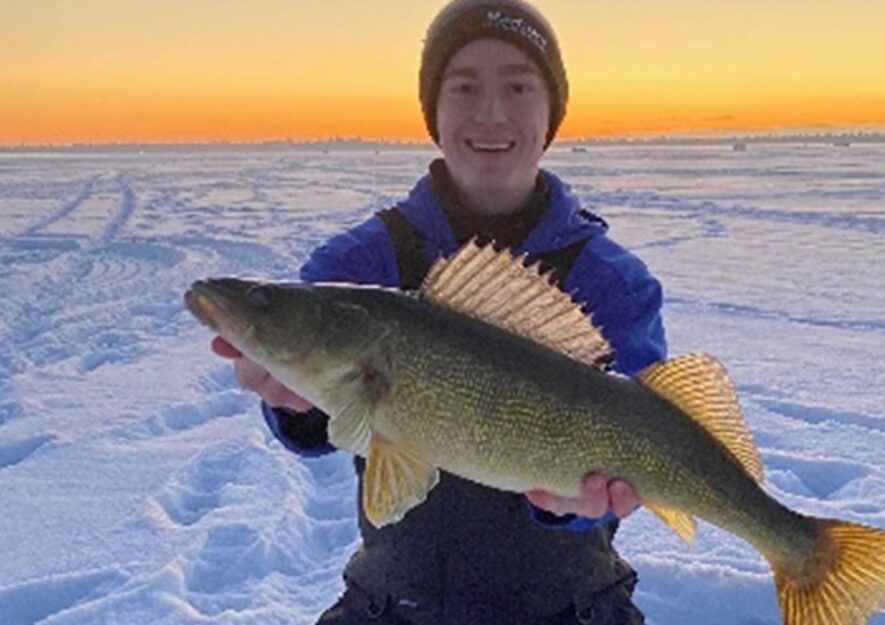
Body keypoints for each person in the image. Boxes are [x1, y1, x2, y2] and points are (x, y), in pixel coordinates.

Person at [209, 1, 667, 623]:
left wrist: (585, 501)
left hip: (570, 607)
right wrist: (292, 401)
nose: (491, 111)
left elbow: (649, 435)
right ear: (434, 108)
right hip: (394, 604)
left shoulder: (613, 282)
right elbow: (313, 425)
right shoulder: (359, 263)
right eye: (464, 86)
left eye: (518, 85)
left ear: (552, 108)